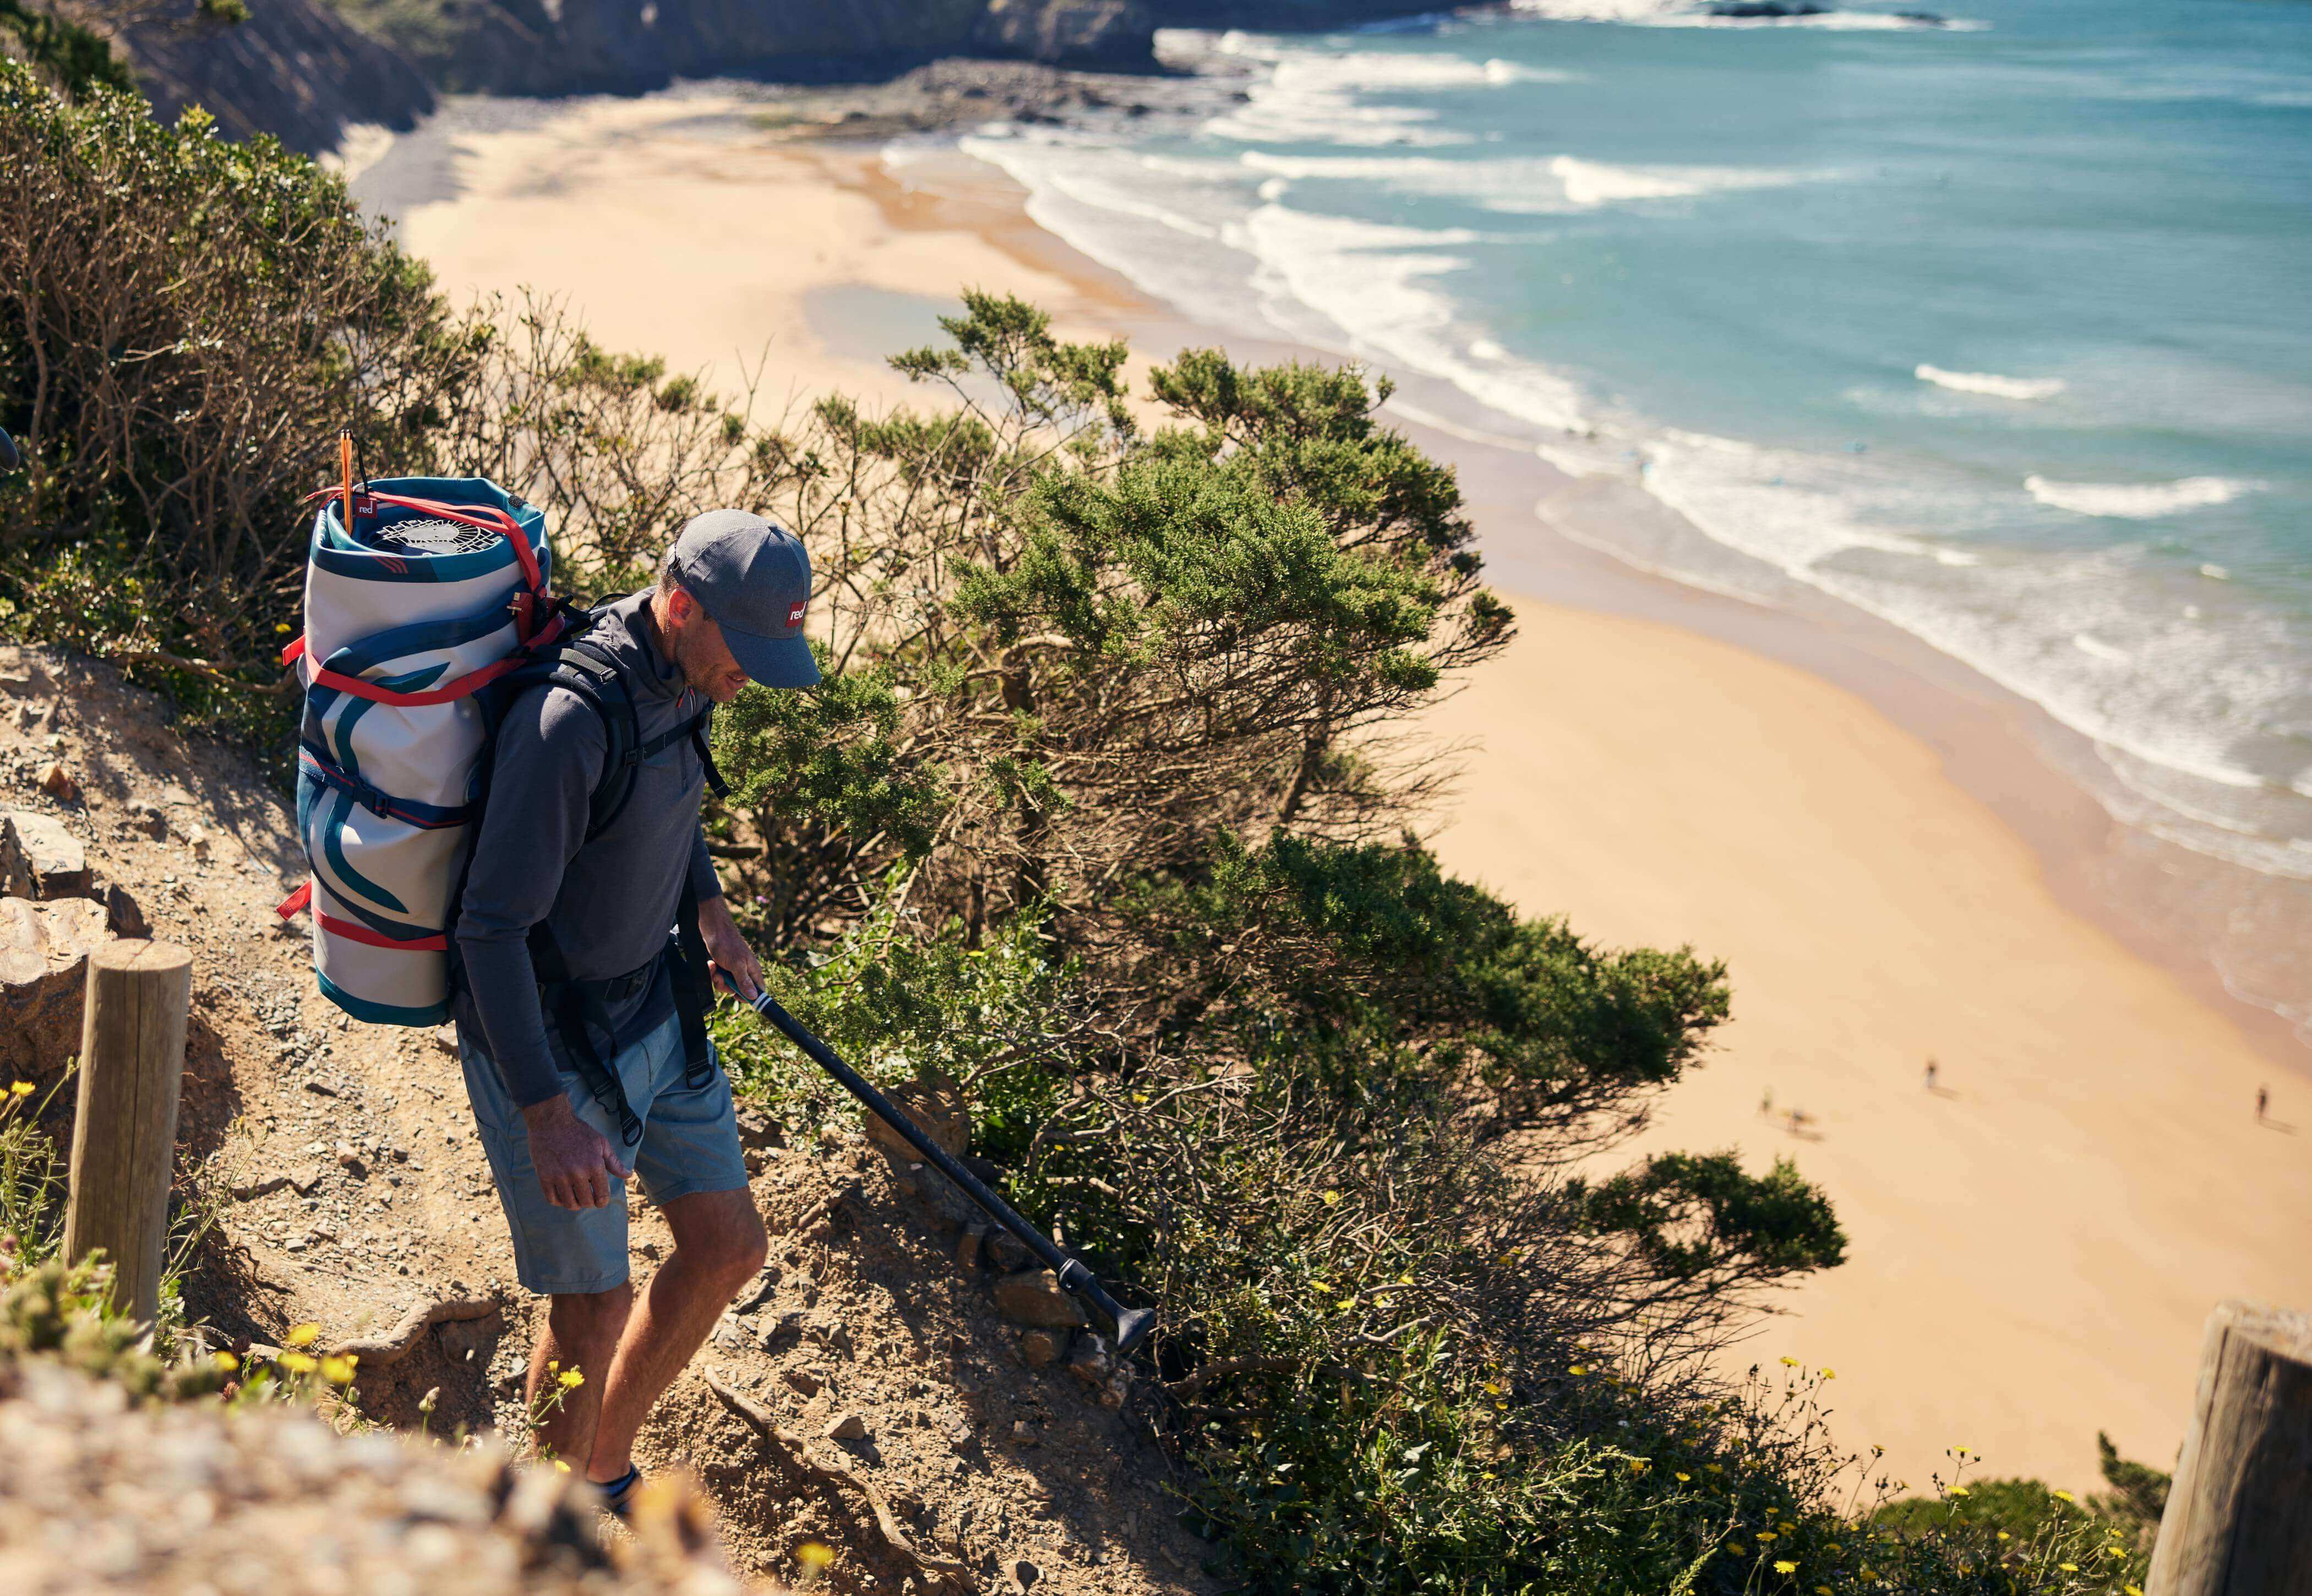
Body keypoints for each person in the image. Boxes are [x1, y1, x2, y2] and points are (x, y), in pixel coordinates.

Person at [451, 509, 819, 1516]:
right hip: (555, 1046)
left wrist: (712, 911)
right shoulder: (568, 725)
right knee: (593, 1308)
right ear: (682, 603)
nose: (751, 675)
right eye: (745, 652)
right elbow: (488, 931)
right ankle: (545, 1538)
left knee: (729, 1248)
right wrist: (546, 1113)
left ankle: (597, 1473)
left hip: (655, 1008)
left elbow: (670, 799)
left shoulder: (687, 675)